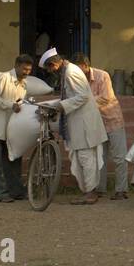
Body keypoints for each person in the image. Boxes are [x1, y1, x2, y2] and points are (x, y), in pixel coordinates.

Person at [41, 48, 108, 206]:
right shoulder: (68, 71)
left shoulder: (71, 72)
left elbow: (82, 96)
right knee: (80, 158)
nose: (50, 72)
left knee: (86, 158)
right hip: (78, 123)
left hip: (84, 124)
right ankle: (87, 191)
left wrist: (60, 106)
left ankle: (91, 193)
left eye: (49, 68)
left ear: (54, 64)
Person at [71, 53, 128, 201]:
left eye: (78, 68)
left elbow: (106, 98)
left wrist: (83, 104)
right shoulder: (77, 80)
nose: (76, 72)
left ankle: (121, 190)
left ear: (85, 65)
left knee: (119, 157)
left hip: (113, 120)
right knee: (100, 158)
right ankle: (100, 189)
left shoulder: (102, 76)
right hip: (95, 124)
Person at [0, 54, 34, 203]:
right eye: (24, 69)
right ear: (16, 66)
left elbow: (20, 104)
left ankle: (16, 191)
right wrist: (11, 105)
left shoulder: (24, 85)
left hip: (11, 129)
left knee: (13, 160)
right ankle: (0, 193)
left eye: (29, 70)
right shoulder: (2, 78)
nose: (26, 72)